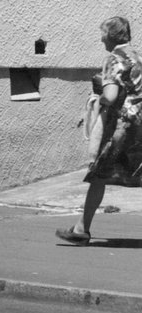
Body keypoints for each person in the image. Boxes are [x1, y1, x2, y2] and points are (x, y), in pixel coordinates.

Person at [56, 15, 142, 244]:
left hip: (124, 127)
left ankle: (81, 230)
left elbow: (111, 96)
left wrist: (97, 99)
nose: (101, 38)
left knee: (99, 175)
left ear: (111, 35)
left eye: (103, 33)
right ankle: (80, 228)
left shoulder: (113, 59)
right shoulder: (138, 56)